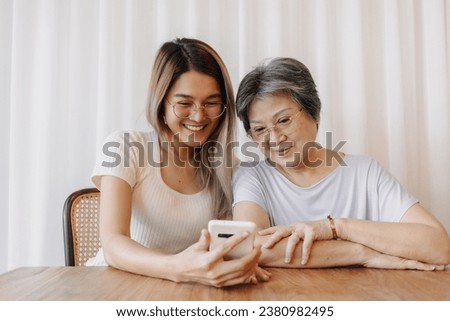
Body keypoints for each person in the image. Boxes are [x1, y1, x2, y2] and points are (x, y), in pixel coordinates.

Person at [233, 57, 450, 270]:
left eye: (283, 120)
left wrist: (336, 227)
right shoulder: (252, 175)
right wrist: (362, 253)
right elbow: (250, 247)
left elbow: (438, 247)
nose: (274, 138)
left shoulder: (364, 173)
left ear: (314, 113)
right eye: (260, 129)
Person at [86, 38, 268, 287]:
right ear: (161, 102)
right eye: (184, 103)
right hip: (116, 286)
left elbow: (228, 247)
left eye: (211, 103)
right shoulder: (125, 147)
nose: (199, 115)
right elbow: (113, 244)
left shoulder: (229, 166)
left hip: (185, 290)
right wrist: (177, 267)